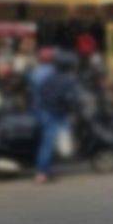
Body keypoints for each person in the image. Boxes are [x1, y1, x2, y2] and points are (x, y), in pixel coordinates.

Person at [35, 51, 78, 183]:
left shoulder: (51, 77)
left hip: (47, 111)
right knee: (48, 141)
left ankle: (48, 168)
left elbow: (41, 92)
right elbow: (71, 98)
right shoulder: (67, 80)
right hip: (52, 113)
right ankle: (41, 173)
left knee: (55, 138)